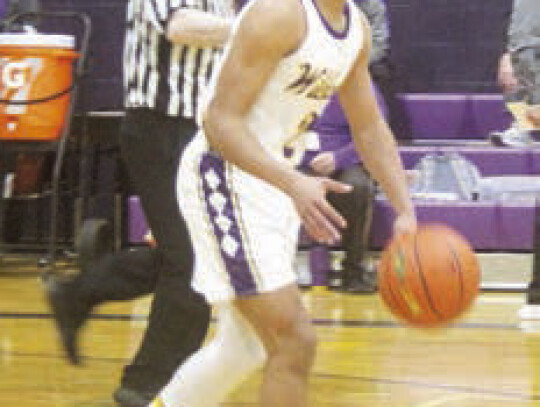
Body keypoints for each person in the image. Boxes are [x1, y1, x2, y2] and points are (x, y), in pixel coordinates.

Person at [151, 0, 417, 406]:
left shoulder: (355, 27)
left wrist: (405, 210)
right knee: (293, 339)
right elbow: (220, 121)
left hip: (274, 181)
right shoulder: (277, 13)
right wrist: (292, 181)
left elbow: (368, 125)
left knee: (246, 346)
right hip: (226, 174)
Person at [44, 1, 235, 407]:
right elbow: (179, 26)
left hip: (203, 132)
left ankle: (76, 295)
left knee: (188, 256)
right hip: (160, 126)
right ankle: (147, 383)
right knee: (191, 261)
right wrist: (254, 30)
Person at [300, 95, 377, 293]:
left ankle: (354, 271)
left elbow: (375, 133)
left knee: (357, 187)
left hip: (343, 161)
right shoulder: (283, 78)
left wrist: (339, 157)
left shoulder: (354, 81)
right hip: (291, 163)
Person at [489, 0, 540, 147]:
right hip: (521, 45)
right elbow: (512, 20)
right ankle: (521, 129)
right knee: (516, 87)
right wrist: (506, 53)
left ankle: (522, 128)